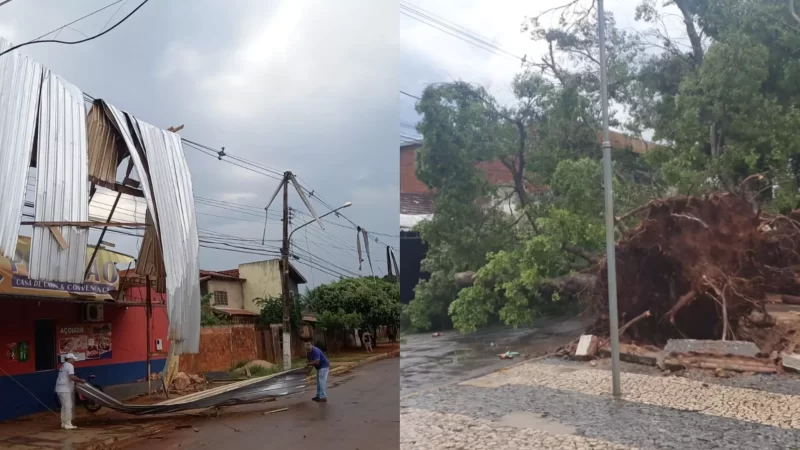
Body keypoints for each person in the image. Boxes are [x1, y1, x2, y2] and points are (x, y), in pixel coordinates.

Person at [54, 353, 85, 430]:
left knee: (64, 406)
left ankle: (64, 423)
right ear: (70, 359)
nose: (74, 361)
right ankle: (68, 424)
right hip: (65, 389)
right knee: (68, 406)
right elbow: (72, 377)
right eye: (73, 359)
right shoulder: (70, 365)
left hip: (59, 389)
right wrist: (80, 380)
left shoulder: (64, 365)